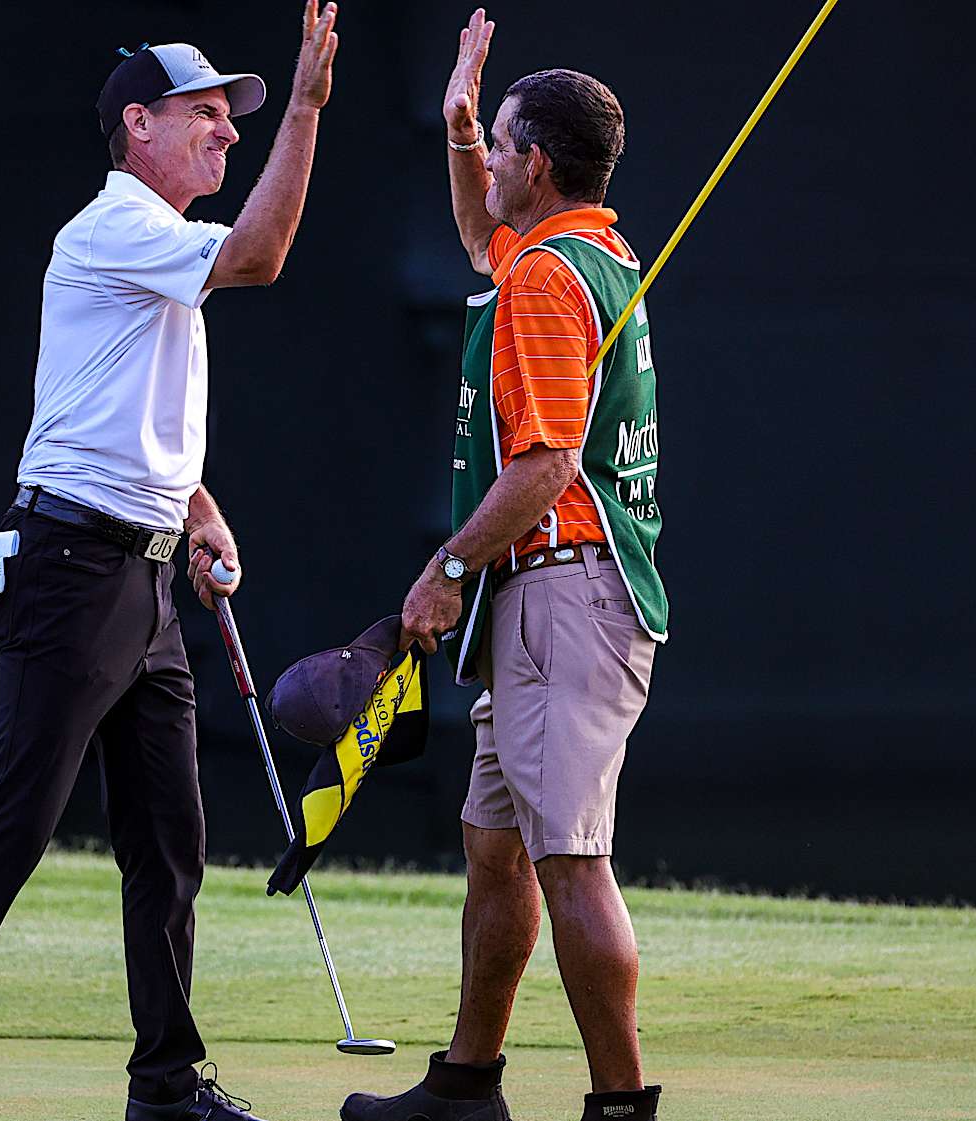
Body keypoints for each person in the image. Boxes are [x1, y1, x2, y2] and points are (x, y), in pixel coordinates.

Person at [0, 8, 340, 1121]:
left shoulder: (153, 247)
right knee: (14, 823)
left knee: (168, 840)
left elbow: (110, 407)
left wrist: (197, 507)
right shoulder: (115, 225)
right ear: (138, 124)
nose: (227, 132)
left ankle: (164, 1084)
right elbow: (260, 256)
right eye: (207, 114)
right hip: (71, 569)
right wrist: (305, 104)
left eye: (236, 114)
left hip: (141, 576)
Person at [348, 9, 668, 1121]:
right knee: (498, 847)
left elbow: (543, 465)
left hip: (562, 592)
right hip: (550, 597)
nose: (486, 160)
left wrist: (444, 567)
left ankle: (621, 1104)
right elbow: (482, 229)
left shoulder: (542, 280)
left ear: (535, 163)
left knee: (570, 856)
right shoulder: (574, 248)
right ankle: (467, 1084)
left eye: (498, 145)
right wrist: (456, 128)